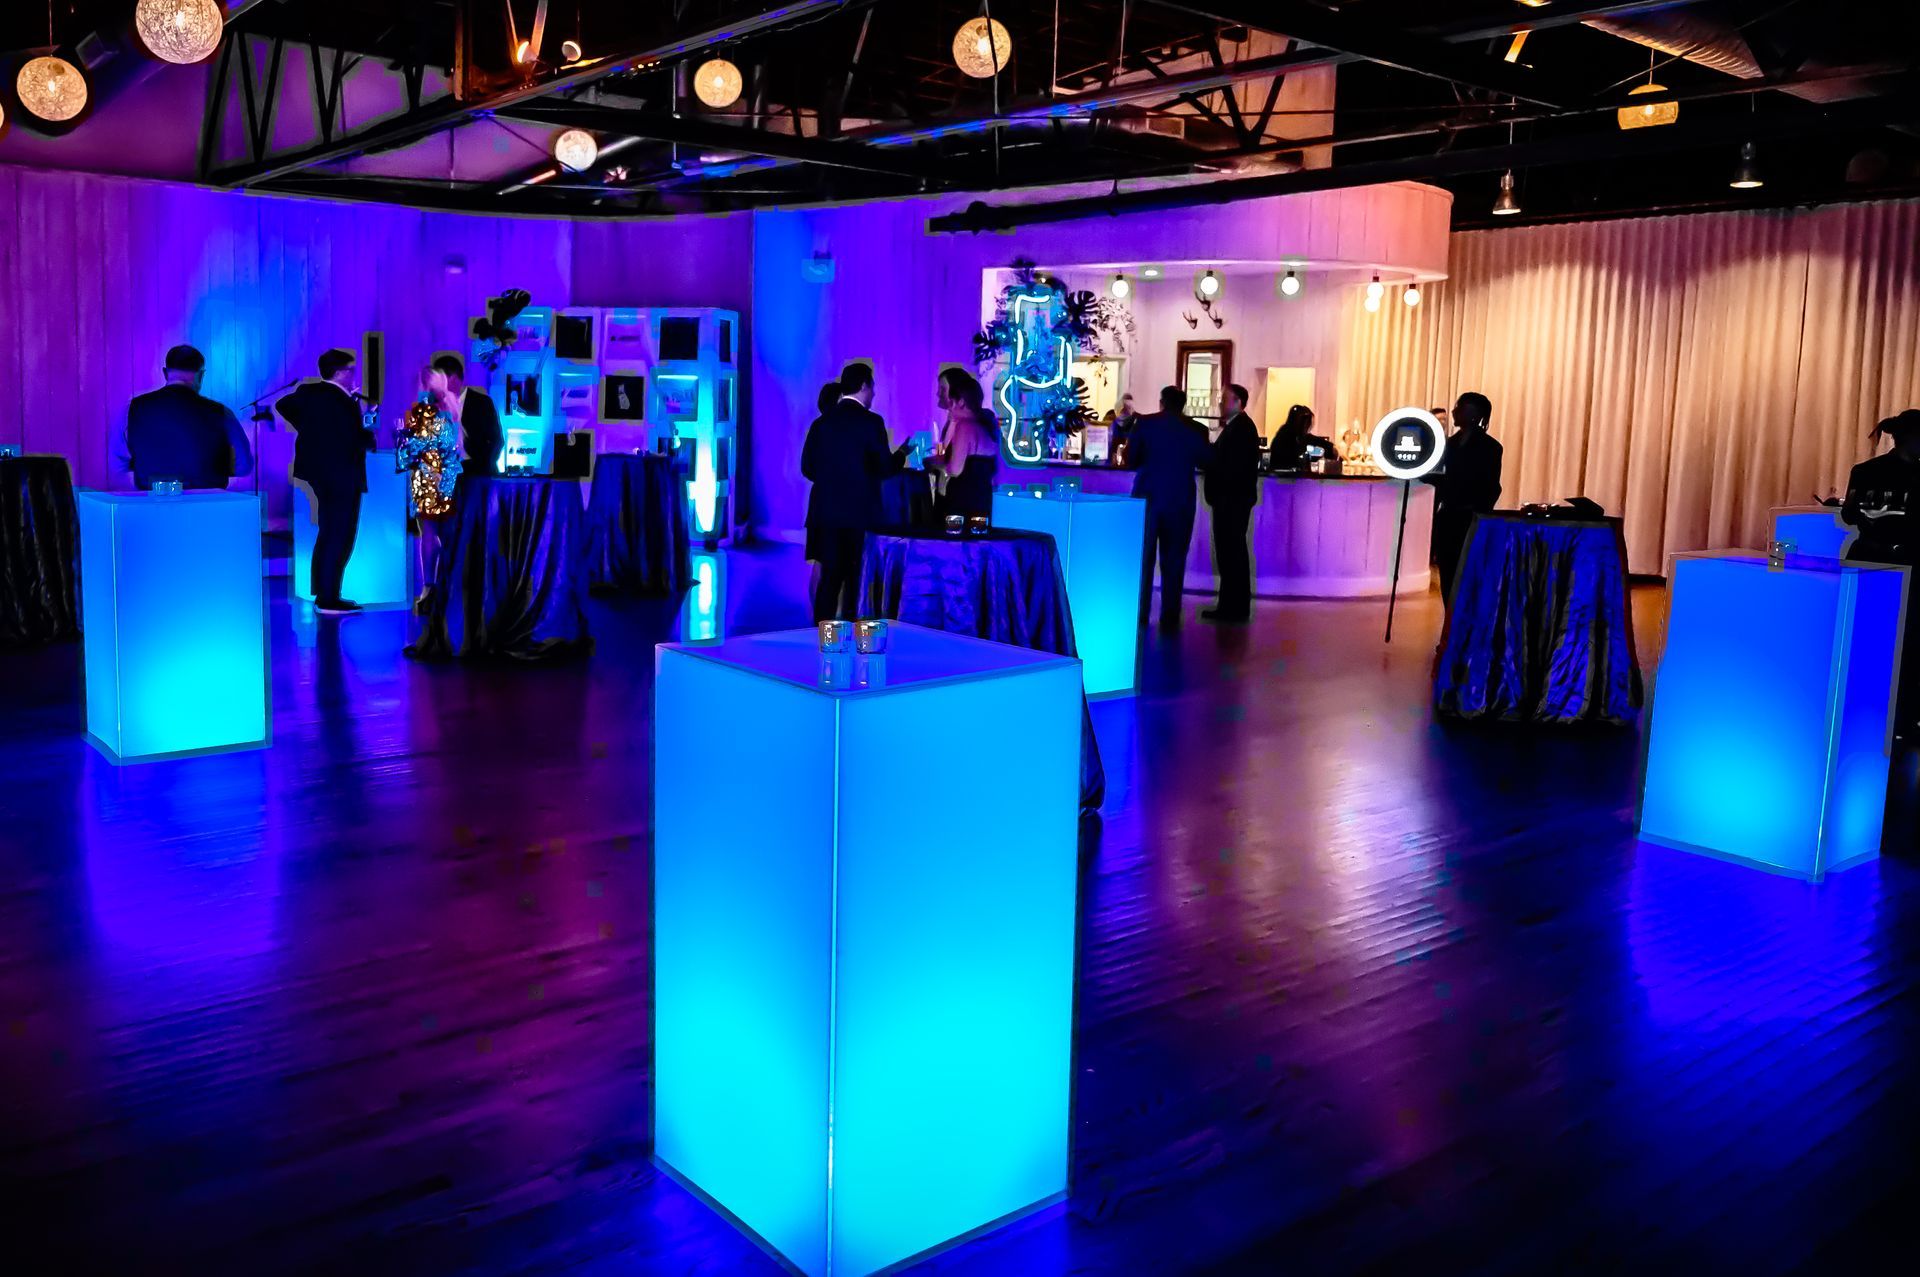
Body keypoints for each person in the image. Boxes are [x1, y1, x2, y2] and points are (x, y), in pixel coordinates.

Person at [801, 361, 907, 622]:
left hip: (826, 510)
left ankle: (822, 634)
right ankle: (849, 633)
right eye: (872, 387)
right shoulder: (871, 422)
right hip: (859, 512)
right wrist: (902, 455)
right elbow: (884, 467)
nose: (873, 393)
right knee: (855, 578)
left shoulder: (822, 423)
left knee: (830, 576)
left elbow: (808, 467)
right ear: (864, 386)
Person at [277, 348, 376, 615]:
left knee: (328, 530)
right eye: (351, 370)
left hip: (318, 473)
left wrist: (309, 429)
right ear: (341, 372)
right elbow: (359, 439)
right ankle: (329, 596)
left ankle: (323, 591)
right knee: (340, 533)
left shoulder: (310, 393)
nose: (354, 374)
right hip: (344, 474)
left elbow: (282, 405)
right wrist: (368, 422)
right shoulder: (348, 402)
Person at [1842, 410, 1920, 733]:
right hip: (1889, 566)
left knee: (1887, 643)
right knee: (1892, 645)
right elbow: (1850, 514)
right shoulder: (1871, 472)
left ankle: (1880, 715)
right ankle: (1889, 718)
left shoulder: (1864, 471)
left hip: (1886, 565)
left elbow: (1848, 515)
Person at [1129, 385, 1213, 628]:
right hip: (1180, 501)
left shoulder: (1145, 424)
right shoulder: (1195, 430)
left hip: (1148, 498)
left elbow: (1132, 459)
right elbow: (1208, 461)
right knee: (1174, 560)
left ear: (1161, 402)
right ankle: (1169, 615)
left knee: (1144, 560)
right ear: (1183, 405)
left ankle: (1141, 614)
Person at [120, 344, 254, 491]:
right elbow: (244, 466)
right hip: (209, 506)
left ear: (165, 372)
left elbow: (118, 460)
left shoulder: (136, 407)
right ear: (201, 375)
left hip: (152, 505)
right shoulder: (222, 412)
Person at [396, 365, 465, 610]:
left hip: (427, 478)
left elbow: (413, 450)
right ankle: (448, 583)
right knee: (447, 534)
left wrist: (403, 439)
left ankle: (429, 587)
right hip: (448, 477)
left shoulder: (423, 412)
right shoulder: (451, 408)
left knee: (428, 535)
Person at [1427, 391, 1504, 608]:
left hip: (1471, 520)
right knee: (1448, 576)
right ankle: (1449, 628)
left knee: (1469, 578)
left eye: (1459, 407)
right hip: (1448, 518)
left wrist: (1478, 513)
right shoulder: (1449, 444)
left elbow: (1490, 487)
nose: (1453, 411)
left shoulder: (1490, 447)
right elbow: (1439, 480)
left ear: (1472, 413)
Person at [1203, 383, 1261, 623]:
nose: (1220, 403)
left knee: (1231, 552)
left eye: (1225, 399)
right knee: (1231, 552)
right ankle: (1231, 605)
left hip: (1231, 501)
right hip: (1233, 499)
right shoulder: (1238, 427)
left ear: (1238, 402)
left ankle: (1232, 607)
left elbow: (1230, 466)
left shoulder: (1242, 429)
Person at [932, 367, 999, 519]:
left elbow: (954, 469)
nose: (940, 395)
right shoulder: (984, 426)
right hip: (980, 502)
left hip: (962, 503)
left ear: (961, 401)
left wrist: (936, 464)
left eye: (943, 389)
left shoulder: (965, 426)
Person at [432, 354, 502, 476]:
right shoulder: (435, 405)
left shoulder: (481, 403)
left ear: (453, 379)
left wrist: (483, 465)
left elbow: (497, 441)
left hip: (477, 472)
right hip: (444, 474)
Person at [1267, 404, 1336, 474]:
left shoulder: (1287, 432)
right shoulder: (1289, 435)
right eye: (1307, 423)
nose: (1307, 428)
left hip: (1281, 475)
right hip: (1283, 476)